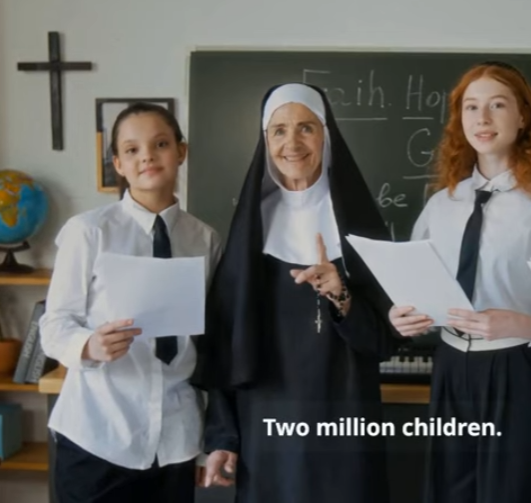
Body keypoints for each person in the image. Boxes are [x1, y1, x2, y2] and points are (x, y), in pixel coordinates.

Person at [389, 61, 531, 503]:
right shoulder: (441, 205)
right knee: (448, 489)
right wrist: (401, 315)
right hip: (449, 366)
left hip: (514, 369)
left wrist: (525, 325)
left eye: (497, 105)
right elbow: (412, 284)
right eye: (471, 107)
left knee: (511, 492)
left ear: (522, 117)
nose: (482, 118)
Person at [193, 83, 400, 503]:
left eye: (306, 127)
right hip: (267, 422)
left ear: (326, 135)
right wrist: (223, 437)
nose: (292, 142)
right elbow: (225, 346)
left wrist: (341, 295)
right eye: (279, 130)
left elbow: (381, 342)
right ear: (265, 141)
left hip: (346, 417)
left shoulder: (360, 228)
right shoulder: (251, 232)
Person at [39, 102, 223, 503]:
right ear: (118, 164)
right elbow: (54, 325)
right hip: (98, 433)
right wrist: (88, 345)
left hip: (174, 439)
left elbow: (208, 342)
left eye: (161, 144)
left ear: (181, 151)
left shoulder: (204, 240)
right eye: (132, 149)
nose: (147, 157)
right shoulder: (89, 232)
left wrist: (206, 439)